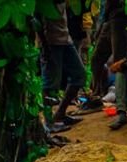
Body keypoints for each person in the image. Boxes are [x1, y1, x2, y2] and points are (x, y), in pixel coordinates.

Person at [40, 4, 84, 133]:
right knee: (51, 83)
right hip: (51, 41)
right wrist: (43, 43)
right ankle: (49, 122)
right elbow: (36, 17)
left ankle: (60, 113)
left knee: (79, 75)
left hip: (65, 38)